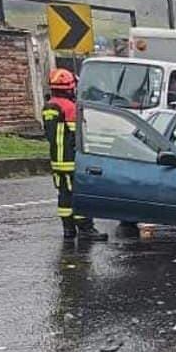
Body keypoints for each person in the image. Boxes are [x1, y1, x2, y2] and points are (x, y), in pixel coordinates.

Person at [42, 68, 107, 241]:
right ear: (69, 87)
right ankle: (86, 228)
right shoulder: (70, 108)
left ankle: (68, 229)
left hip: (57, 160)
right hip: (73, 160)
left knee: (64, 195)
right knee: (80, 194)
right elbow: (79, 137)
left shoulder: (49, 106)